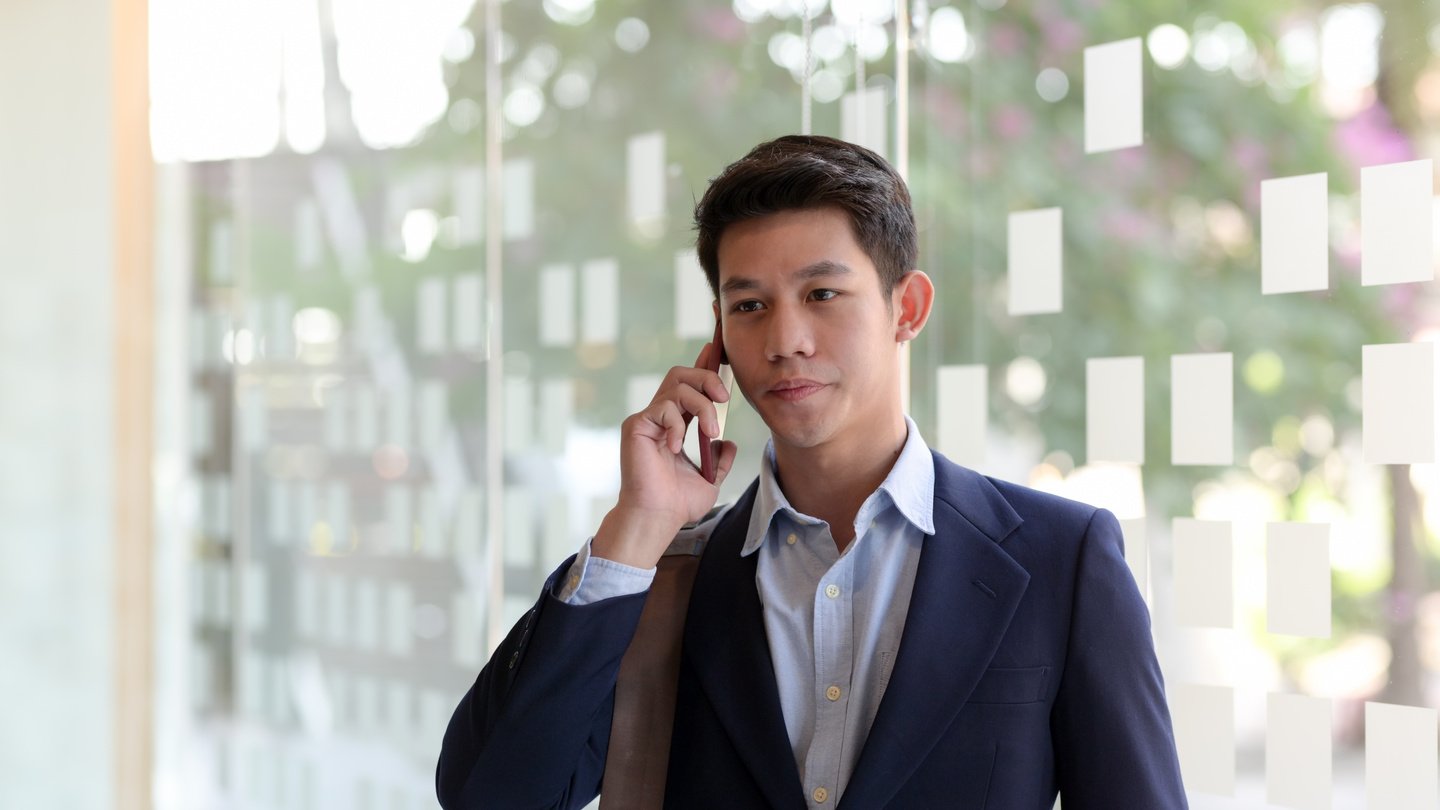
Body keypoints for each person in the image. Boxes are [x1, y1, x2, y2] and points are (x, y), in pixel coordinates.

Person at [435, 135, 1187, 809]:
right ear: (719, 338)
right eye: (750, 305)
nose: (785, 339)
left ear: (907, 307)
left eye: (822, 294)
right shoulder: (669, 580)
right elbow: (489, 796)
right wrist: (635, 529)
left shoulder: (1060, 558)